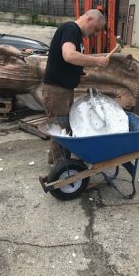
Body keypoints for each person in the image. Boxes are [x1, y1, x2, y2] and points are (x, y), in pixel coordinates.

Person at [42, 9, 109, 164]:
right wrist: (97, 61)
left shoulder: (76, 34)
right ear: (90, 19)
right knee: (62, 130)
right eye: (96, 29)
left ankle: (56, 161)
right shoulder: (71, 29)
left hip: (62, 90)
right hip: (56, 90)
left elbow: (68, 60)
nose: (95, 34)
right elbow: (69, 55)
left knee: (62, 126)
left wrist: (77, 71)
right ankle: (63, 170)